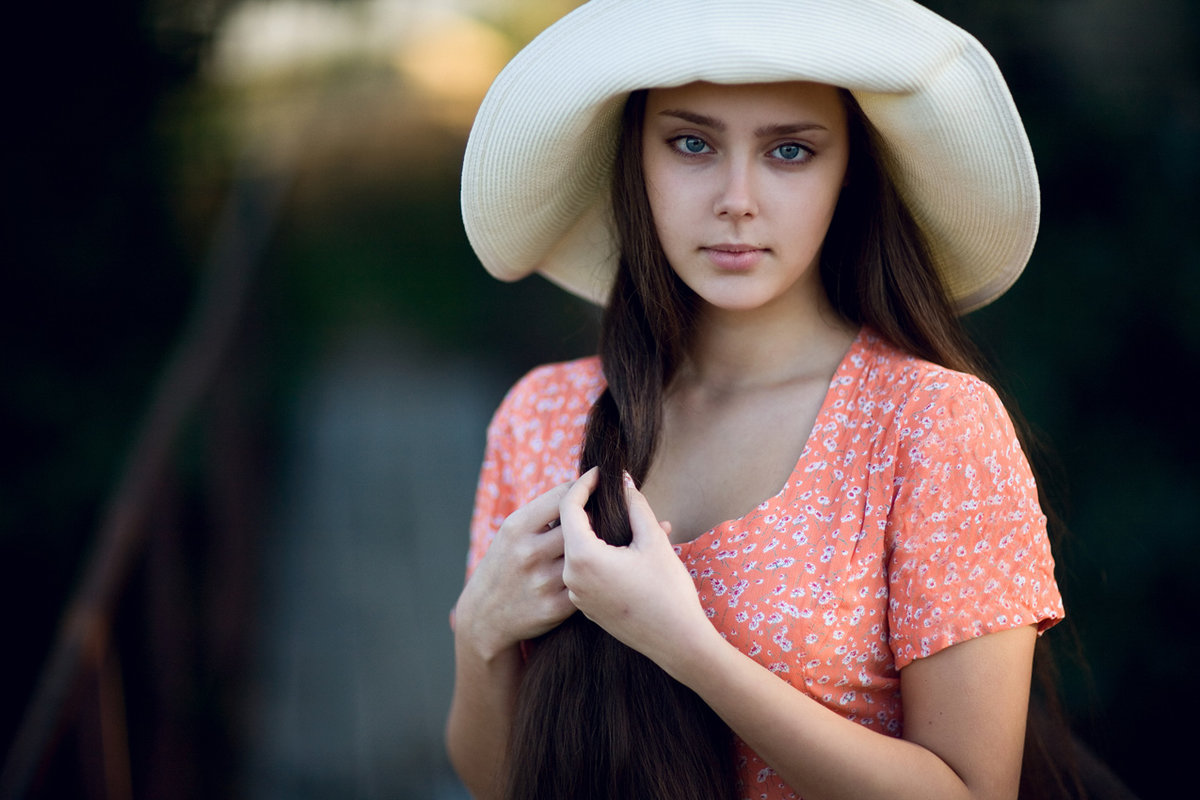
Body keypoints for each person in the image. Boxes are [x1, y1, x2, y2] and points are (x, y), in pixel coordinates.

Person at [446, 2, 1067, 798]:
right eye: (692, 143)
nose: (737, 199)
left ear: (851, 172)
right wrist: (480, 635)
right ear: (634, 156)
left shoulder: (929, 427)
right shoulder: (541, 417)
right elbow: (500, 784)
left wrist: (689, 648)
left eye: (790, 151)